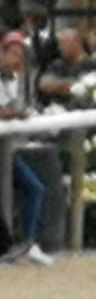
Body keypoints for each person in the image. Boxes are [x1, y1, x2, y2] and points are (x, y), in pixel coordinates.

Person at [0, 30, 54, 265]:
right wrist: (17, 114)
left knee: (34, 188)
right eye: (13, 54)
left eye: (21, 56)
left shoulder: (15, 80)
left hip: (6, 148)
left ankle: (28, 242)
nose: (17, 60)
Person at [34, 26, 96, 106]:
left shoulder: (90, 64)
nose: (60, 48)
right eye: (59, 44)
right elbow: (43, 84)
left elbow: (84, 89)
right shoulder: (58, 63)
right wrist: (64, 85)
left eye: (63, 43)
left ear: (76, 42)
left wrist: (56, 85)